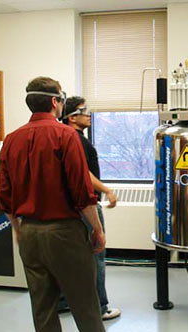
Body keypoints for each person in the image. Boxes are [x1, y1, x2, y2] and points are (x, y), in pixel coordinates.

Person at [0, 77, 106, 332]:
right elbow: (81, 192)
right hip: (65, 234)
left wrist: (18, 230)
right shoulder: (66, 136)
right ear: (55, 102)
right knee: (86, 306)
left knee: (43, 309)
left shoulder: (11, 140)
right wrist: (97, 229)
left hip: (29, 234)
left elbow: (5, 195)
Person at [61, 96, 121, 320]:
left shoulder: (69, 139)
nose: (89, 114)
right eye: (83, 110)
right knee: (97, 254)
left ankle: (63, 301)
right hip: (87, 205)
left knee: (71, 257)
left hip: (71, 206)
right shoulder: (76, 140)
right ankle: (101, 307)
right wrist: (107, 190)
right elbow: (84, 174)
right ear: (71, 117)